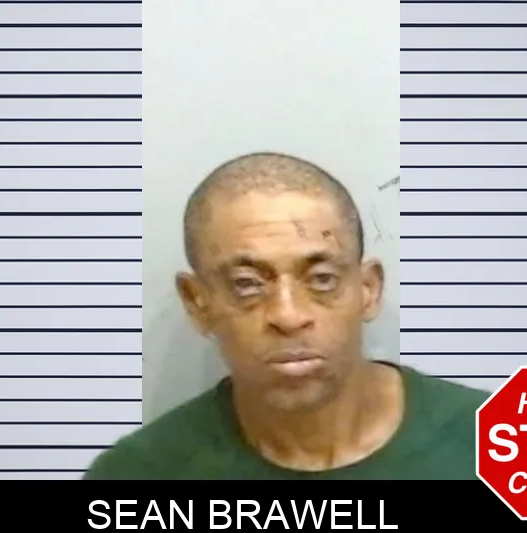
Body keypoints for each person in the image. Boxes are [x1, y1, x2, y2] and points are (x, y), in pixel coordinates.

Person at [84, 152, 489, 480]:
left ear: (368, 290)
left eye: (322, 279)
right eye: (247, 285)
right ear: (197, 303)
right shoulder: (138, 475)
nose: (288, 316)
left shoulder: (502, 445)